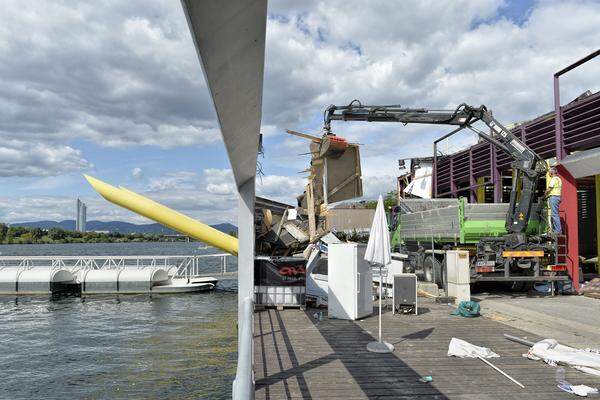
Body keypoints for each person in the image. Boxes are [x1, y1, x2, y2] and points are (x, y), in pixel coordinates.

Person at [545, 166, 562, 233]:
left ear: (552, 172)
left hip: (554, 197)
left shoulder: (553, 179)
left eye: (549, 172)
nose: (548, 173)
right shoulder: (559, 179)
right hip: (557, 197)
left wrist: (545, 194)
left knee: (554, 214)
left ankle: (558, 230)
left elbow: (550, 188)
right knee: (555, 214)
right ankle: (556, 229)